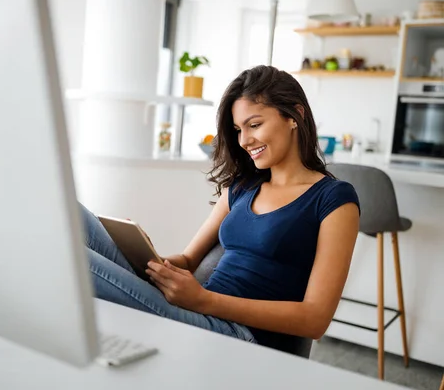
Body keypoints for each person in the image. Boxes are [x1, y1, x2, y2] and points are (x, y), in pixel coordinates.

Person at [82, 65, 360, 348]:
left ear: (295, 115)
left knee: (76, 259)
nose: (244, 140)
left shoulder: (333, 199)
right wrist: (150, 259)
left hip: (240, 335)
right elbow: (189, 261)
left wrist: (204, 300)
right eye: (239, 129)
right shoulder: (243, 186)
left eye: (254, 125)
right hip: (198, 311)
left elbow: (315, 319)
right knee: (75, 217)